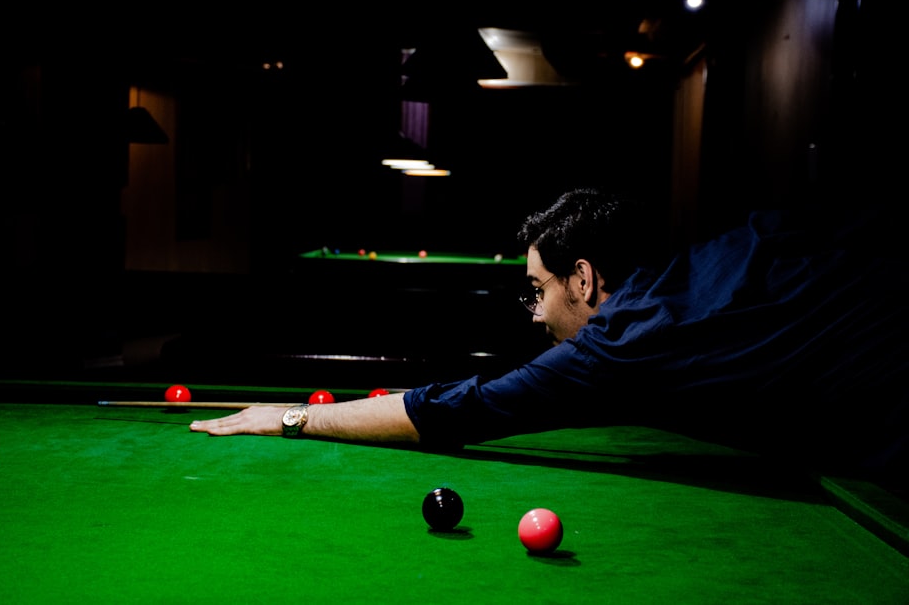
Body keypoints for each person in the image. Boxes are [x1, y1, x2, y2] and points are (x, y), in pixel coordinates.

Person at [190, 188, 908, 488]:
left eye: (538, 290)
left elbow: (456, 409)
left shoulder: (624, 343)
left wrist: (291, 417)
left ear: (585, 278)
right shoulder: (710, 258)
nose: (534, 314)